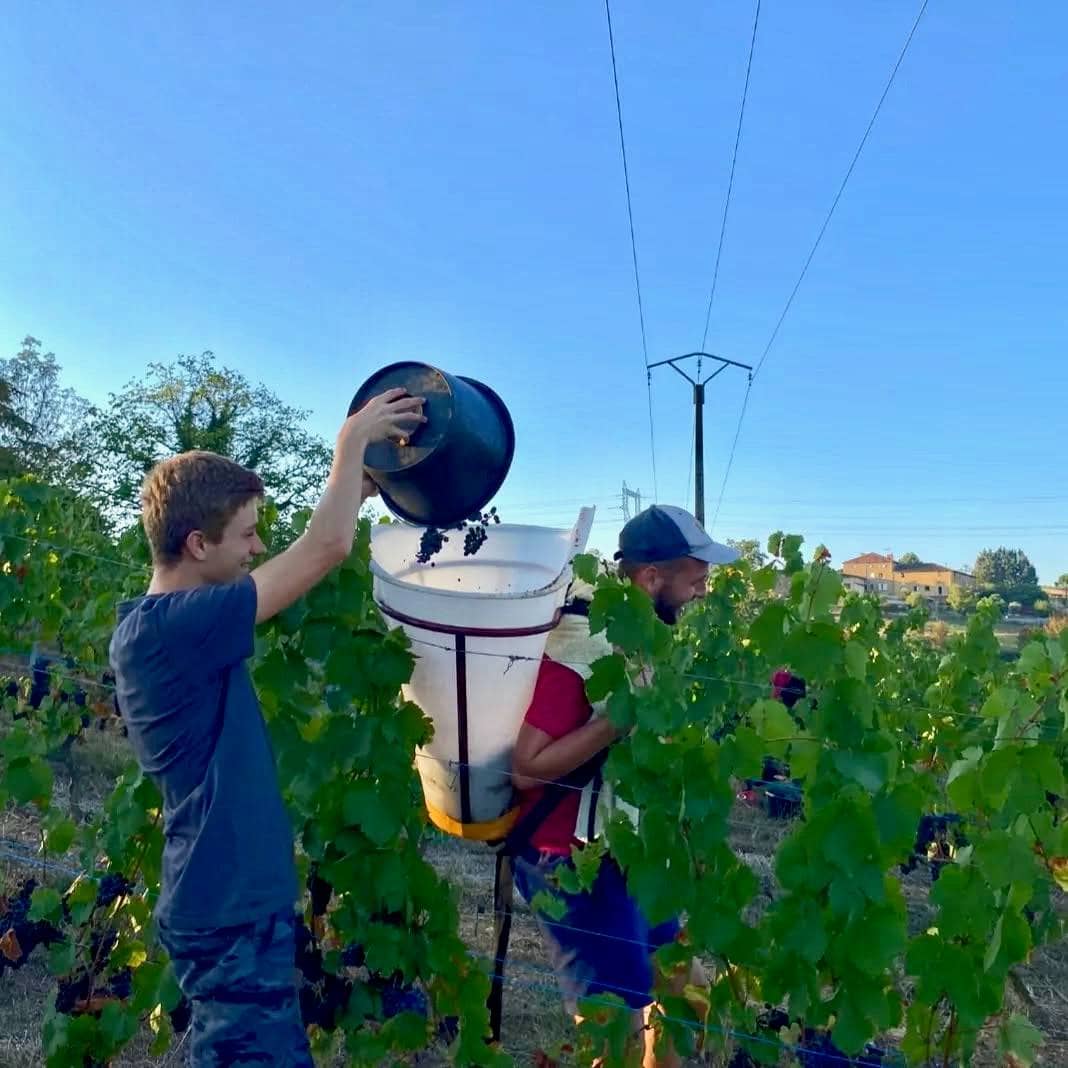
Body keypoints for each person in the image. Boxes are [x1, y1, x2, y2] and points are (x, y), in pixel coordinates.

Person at [109, 387, 424, 1067]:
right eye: (247, 533)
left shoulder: (175, 627)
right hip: (225, 908)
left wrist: (360, 484)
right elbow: (327, 548)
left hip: (231, 900)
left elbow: (318, 542)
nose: (258, 547)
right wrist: (349, 443)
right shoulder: (176, 627)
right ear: (197, 543)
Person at [509, 505, 739, 1068]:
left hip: (626, 851)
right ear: (651, 577)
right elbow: (526, 768)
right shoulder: (581, 649)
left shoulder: (644, 642)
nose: (702, 590)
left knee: (686, 995)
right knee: (618, 1035)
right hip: (568, 859)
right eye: (695, 576)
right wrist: (615, 720)